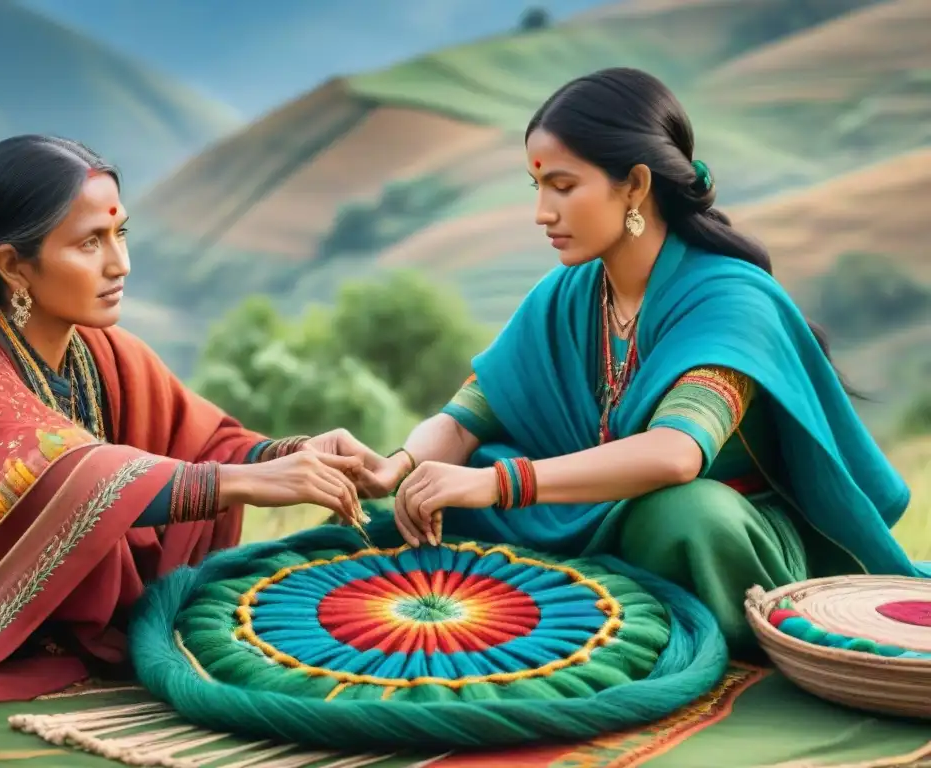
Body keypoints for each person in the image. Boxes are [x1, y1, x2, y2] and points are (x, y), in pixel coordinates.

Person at [371, 68, 928, 656]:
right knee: (472, 466)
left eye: (562, 186)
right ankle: (583, 612)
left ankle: (685, 633)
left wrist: (496, 485)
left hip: (720, 541)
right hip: (597, 513)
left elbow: (675, 454)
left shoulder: (730, 300)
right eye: (536, 188)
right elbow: (465, 419)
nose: (541, 212)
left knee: (684, 512)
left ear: (634, 185)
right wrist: (398, 466)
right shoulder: (568, 296)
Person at [0, 135, 387, 718]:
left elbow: (203, 443)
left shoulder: (101, 350)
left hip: (86, 639)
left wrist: (295, 454)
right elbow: (62, 470)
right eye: (90, 243)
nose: (121, 264)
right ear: (13, 265)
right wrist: (245, 483)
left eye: (120, 233)